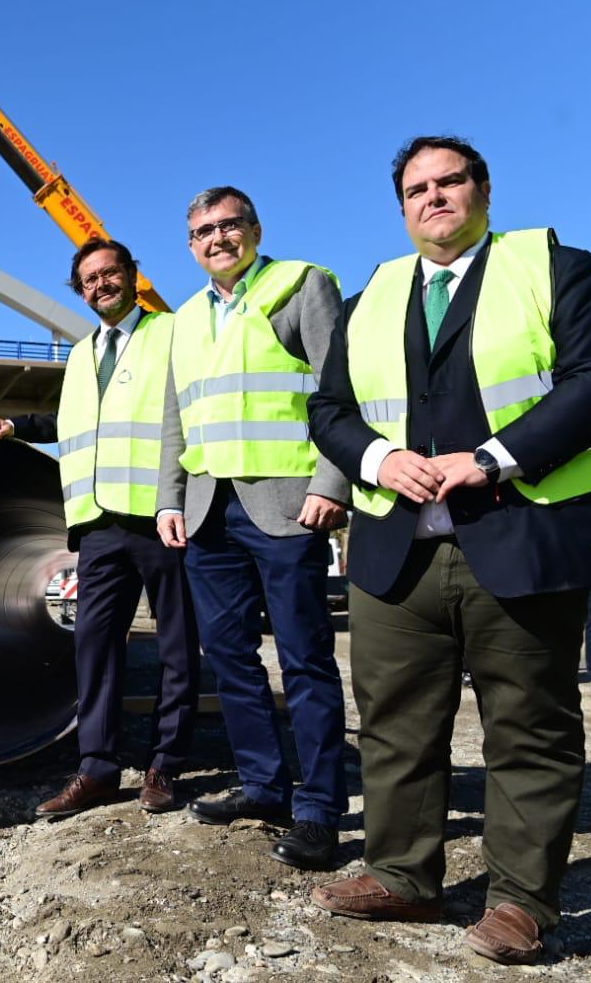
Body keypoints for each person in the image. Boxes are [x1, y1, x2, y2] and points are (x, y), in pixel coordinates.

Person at [307, 136, 591, 965]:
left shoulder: (552, 268)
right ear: (401, 207)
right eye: (416, 188)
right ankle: (401, 875)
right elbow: (328, 409)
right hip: (397, 551)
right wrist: (378, 459)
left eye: (449, 181)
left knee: (528, 727)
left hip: (520, 539)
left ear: (482, 190)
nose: (433, 197)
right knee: (393, 725)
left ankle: (522, 901)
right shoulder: (372, 296)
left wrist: (491, 458)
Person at [156, 187, 350, 872]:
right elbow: (176, 417)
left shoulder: (300, 284)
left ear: (254, 228)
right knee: (231, 659)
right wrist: (167, 500)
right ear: (190, 246)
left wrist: (332, 483)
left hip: (286, 505)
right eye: (202, 231)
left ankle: (320, 807)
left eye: (227, 225)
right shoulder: (183, 318)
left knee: (303, 659)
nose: (216, 238)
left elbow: (337, 390)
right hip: (209, 511)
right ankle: (265, 786)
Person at [0, 238, 199, 818]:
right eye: (89, 280)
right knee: (93, 644)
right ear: (79, 290)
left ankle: (165, 765)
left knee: (178, 645)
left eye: (110, 274)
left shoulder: (172, 334)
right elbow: (81, 423)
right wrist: (20, 426)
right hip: (97, 524)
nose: (100, 285)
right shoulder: (81, 354)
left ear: (132, 275)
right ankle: (98, 767)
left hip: (160, 516)